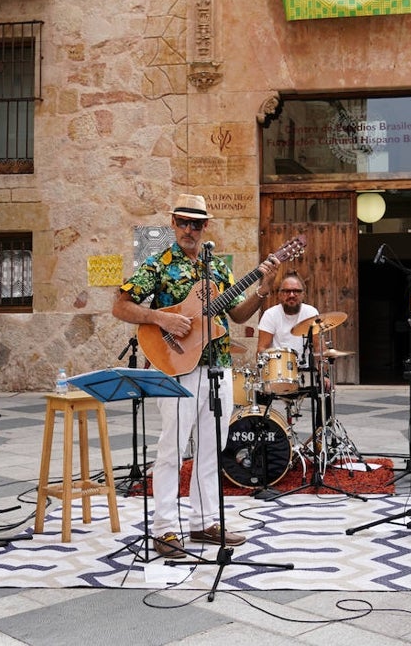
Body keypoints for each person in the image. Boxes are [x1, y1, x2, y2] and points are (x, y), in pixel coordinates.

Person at [112, 193, 279, 558]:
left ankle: (204, 522)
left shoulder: (216, 268)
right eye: (184, 222)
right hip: (175, 367)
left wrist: (262, 292)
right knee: (172, 448)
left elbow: (236, 315)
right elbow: (120, 305)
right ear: (173, 223)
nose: (190, 229)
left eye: (197, 223)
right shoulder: (157, 264)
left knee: (211, 448)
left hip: (216, 367)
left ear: (205, 227)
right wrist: (161, 318)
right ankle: (165, 528)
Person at [257, 271, 333, 415]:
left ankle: (322, 431)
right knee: (258, 395)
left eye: (296, 291)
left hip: (305, 371)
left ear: (303, 294)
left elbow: (319, 347)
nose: (291, 295)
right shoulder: (270, 314)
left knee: (326, 390)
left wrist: (324, 374)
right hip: (278, 371)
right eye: (286, 291)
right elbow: (262, 348)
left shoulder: (311, 312)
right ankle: (265, 433)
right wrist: (262, 375)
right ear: (280, 294)